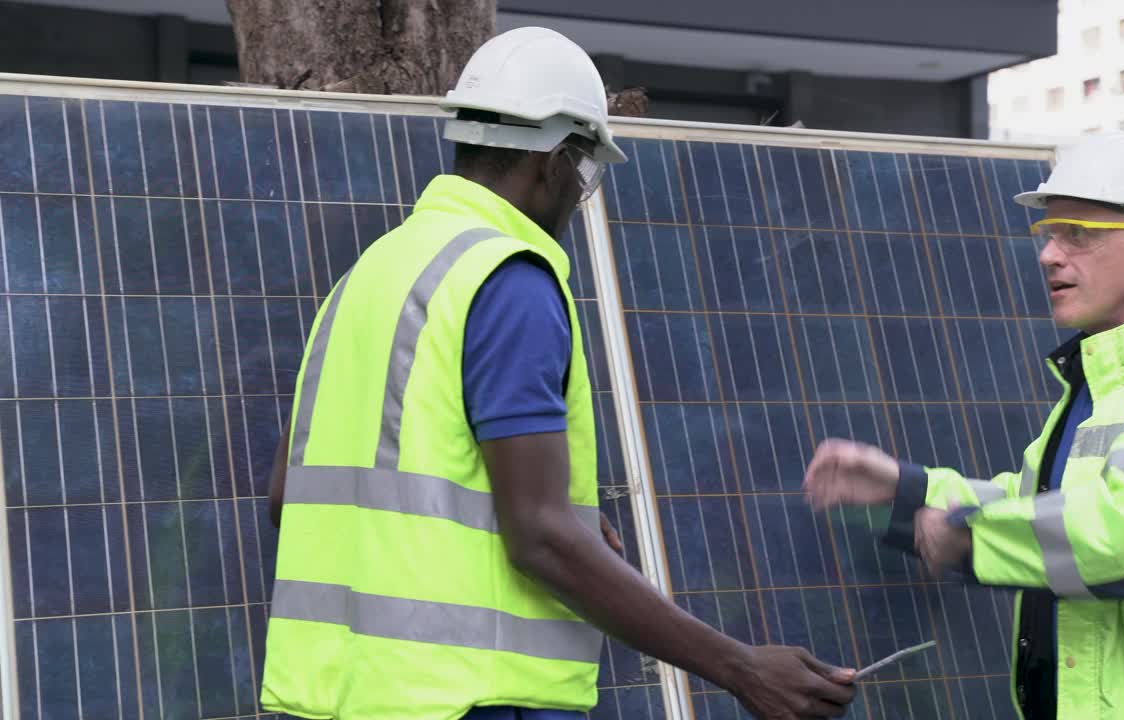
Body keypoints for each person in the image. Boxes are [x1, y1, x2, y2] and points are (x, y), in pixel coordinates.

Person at [258, 26, 857, 720]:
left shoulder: (367, 277)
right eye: (584, 173)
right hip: (468, 701)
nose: (579, 197)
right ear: (553, 162)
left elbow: (290, 498)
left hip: (335, 699)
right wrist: (741, 667)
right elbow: (539, 535)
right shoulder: (508, 279)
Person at [802, 131, 1124, 719]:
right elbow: (1038, 503)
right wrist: (910, 488)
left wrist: (972, 535)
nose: (1050, 255)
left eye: (1077, 235)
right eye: (1048, 234)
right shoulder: (1102, 377)